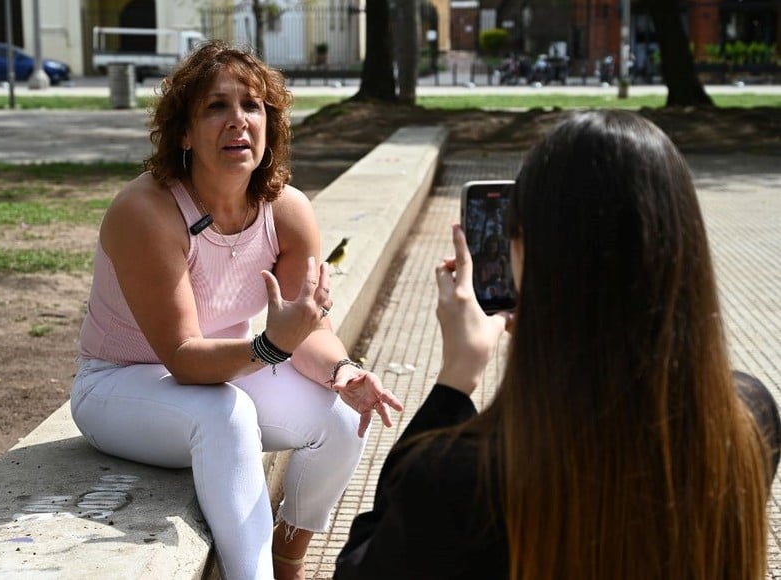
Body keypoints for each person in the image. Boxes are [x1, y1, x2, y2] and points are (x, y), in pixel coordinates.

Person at [335, 110, 781, 579]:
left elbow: (363, 567)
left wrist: (454, 381)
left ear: (527, 253)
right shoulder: (748, 421)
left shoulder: (464, 476)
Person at [70, 40, 403, 580]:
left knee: (344, 416)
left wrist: (344, 371)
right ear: (183, 131)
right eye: (215, 107)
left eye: (252, 106)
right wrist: (272, 345)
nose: (238, 121)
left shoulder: (287, 211)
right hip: (119, 385)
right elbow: (182, 357)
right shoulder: (146, 211)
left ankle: (289, 558)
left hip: (225, 372)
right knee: (227, 415)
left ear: (270, 123)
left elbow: (306, 333)